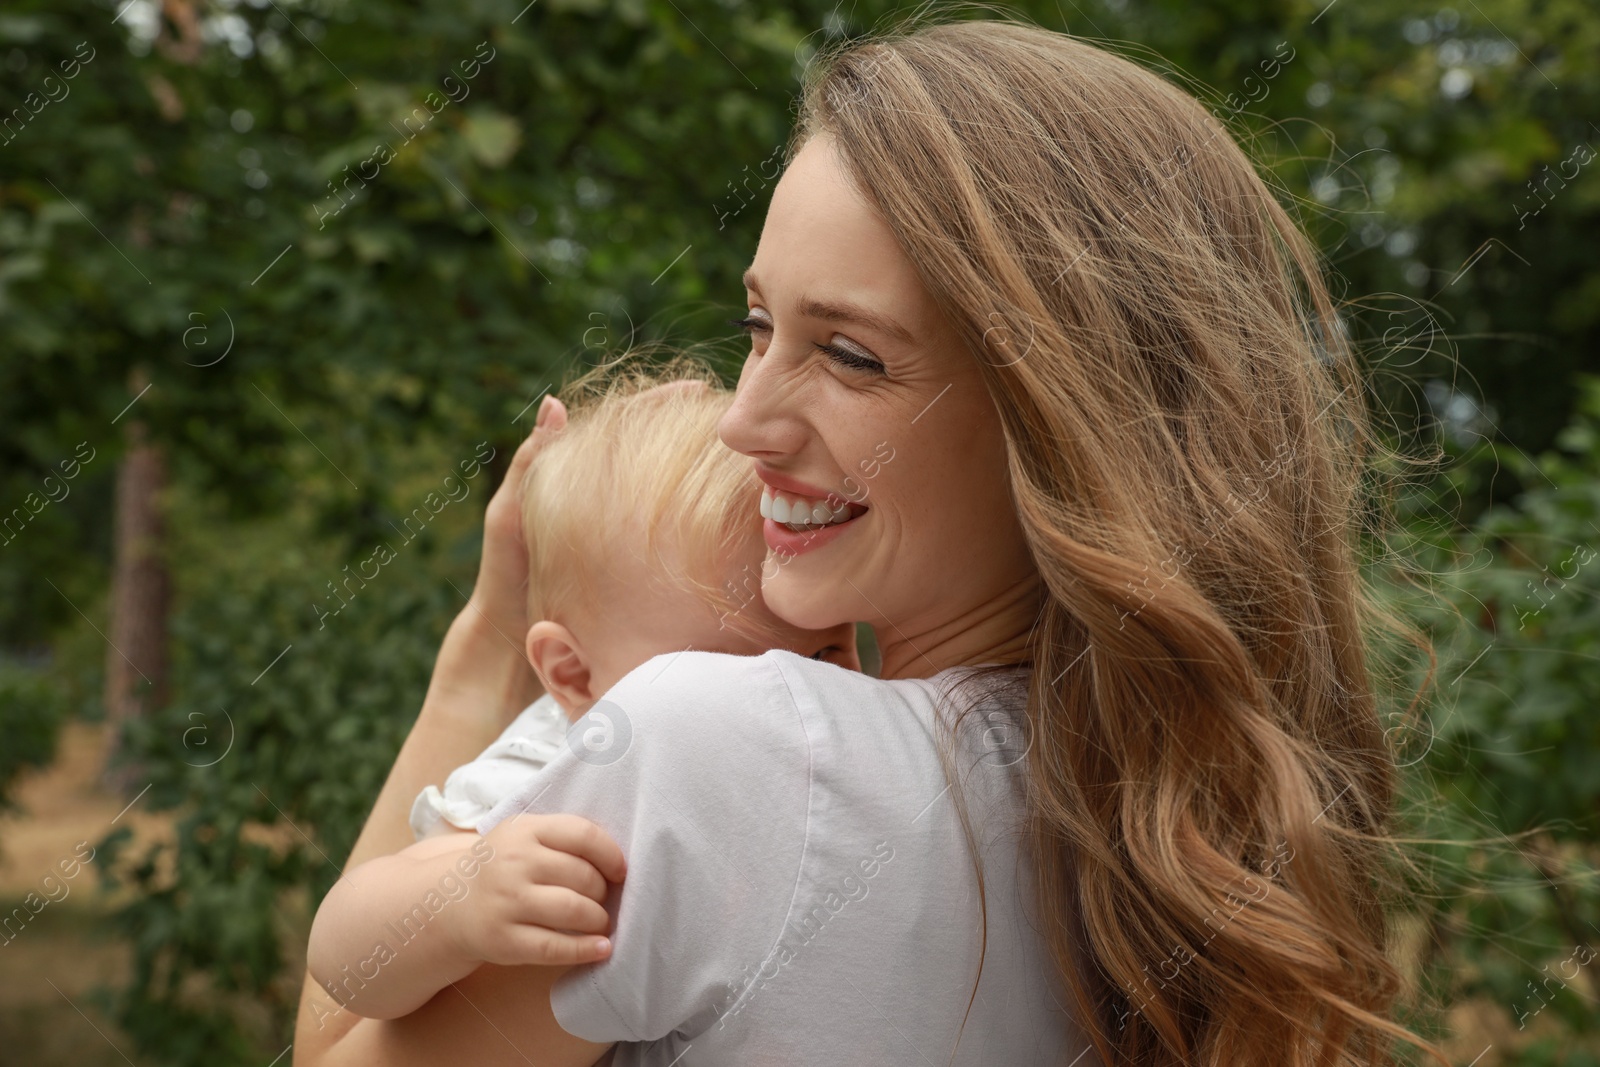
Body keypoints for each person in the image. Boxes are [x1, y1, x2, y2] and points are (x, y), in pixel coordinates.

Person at [295, 14, 1438, 1067]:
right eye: (759, 325)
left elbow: (331, 1034)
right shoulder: (1174, 828)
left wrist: (484, 650)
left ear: (1058, 417)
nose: (742, 420)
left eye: (851, 355)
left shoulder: (722, 748)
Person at [302, 364, 862, 1021]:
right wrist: (462, 898)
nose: (802, 701)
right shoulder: (551, 777)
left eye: (829, 651)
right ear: (572, 676)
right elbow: (344, 956)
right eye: (735, 678)